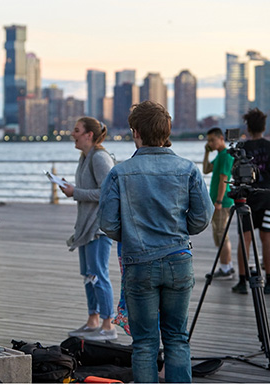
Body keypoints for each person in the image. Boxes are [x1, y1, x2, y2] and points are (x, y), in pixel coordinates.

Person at [98, 101, 213, 383]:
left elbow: (108, 223)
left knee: (145, 342)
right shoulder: (188, 169)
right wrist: (176, 230)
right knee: (177, 338)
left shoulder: (119, 173)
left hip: (140, 263)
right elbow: (203, 217)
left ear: (135, 132)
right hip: (178, 259)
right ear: (167, 131)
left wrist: (137, 236)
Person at [62, 117, 117, 341]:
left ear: (89, 135)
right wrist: (72, 188)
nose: (72, 134)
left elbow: (108, 192)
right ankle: (93, 320)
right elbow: (88, 189)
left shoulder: (100, 157)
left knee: (98, 275)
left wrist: (75, 192)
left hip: (98, 228)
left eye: (76, 130)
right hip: (85, 227)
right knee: (88, 275)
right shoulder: (84, 157)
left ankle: (108, 325)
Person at [231, 108, 270, 295]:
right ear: (264, 126)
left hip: (245, 198)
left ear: (248, 127)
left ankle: (241, 282)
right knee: (267, 239)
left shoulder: (241, 149)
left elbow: (235, 173)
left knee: (244, 239)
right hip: (268, 197)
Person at [202, 127, 235, 279]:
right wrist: (207, 152)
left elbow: (224, 179)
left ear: (221, 138)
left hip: (222, 201)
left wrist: (219, 201)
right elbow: (206, 169)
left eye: (212, 140)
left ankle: (226, 268)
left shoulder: (226, 155)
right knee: (219, 234)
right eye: (208, 141)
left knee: (221, 235)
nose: (210, 143)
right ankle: (227, 266)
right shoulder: (220, 155)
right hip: (217, 200)